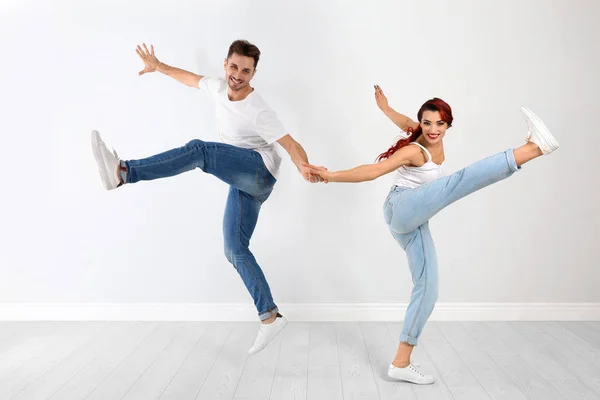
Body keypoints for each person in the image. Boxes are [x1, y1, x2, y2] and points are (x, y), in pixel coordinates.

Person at [304, 85, 559, 384]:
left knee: (428, 287)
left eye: (439, 123)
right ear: (421, 123)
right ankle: (532, 148)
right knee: (459, 182)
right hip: (401, 207)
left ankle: (400, 362)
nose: (432, 129)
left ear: (448, 124)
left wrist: (384, 107)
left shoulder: (421, 133)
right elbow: (374, 171)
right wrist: (330, 175)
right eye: (426, 123)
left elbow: (401, 121)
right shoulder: (415, 149)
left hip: (412, 219)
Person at [91, 40, 323, 355]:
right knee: (234, 249)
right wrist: (159, 67)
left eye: (246, 71)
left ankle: (123, 172)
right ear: (225, 64)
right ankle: (270, 316)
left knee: (201, 151)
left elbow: (291, 144)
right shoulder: (217, 87)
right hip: (242, 178)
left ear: (253, 74)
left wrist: (303, 166)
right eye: (234, 67)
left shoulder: (259, 109)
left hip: (258, 172)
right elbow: (190, 78)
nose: (238, 75)